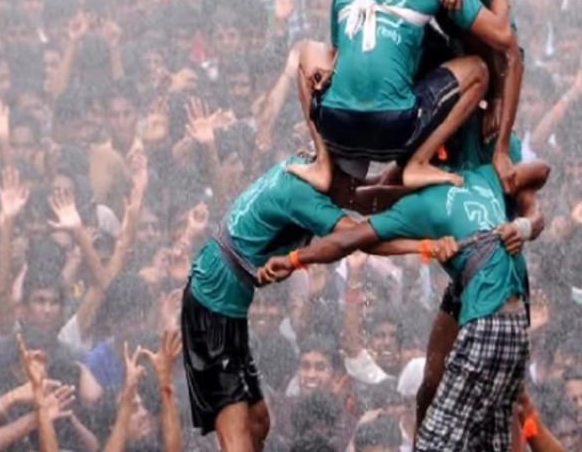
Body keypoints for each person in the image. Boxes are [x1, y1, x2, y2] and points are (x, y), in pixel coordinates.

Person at [258, 161, 537, 451]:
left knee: (433, 443)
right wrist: (525, 225)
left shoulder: (421, 204)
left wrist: (293, 259)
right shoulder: (481, 174)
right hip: (516, 323)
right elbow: (540, 172)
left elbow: (349, 237)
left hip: (488, 324)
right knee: (490, 441)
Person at [181, 156, 445, 452]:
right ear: (335, 176)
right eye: (350, 183)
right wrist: (424, 246)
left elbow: (366, 200)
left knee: (258, 422)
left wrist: (424, 187)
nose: (352, 191)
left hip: (229, 304)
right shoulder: (303, 194)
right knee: (237, 436)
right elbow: (360, 237)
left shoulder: (305, 164)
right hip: (212, 302)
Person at [290, 0, 514, 191]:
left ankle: (322, 162)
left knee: (308, 50)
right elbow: (502, 34)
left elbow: (337, 51)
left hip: (335, 126)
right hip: (395, 132)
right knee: (479, 70)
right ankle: (418, 163)